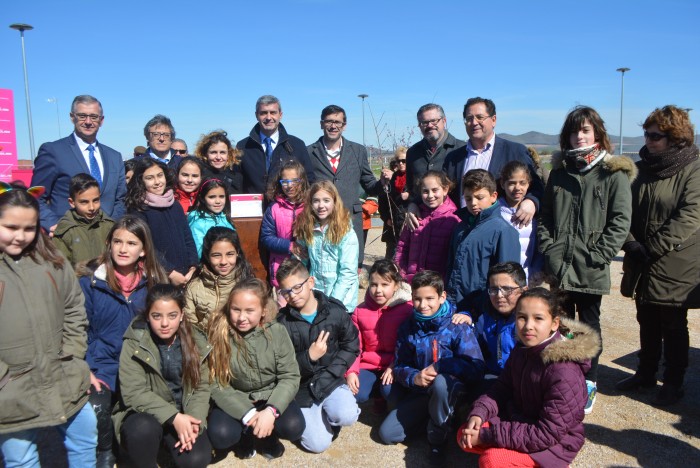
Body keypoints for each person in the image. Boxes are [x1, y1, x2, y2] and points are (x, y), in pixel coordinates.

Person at [538, 105, 634, 414]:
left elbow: (620, 221)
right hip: (560, 266)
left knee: (589, 327)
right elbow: (546, 218)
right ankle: (563, 381)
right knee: (561, 325)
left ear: (597, 134)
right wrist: (550, 250)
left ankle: (589, 383)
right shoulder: (559, 173)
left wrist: (600, 254)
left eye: (585, 130)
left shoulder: (612, 173)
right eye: (573, 131)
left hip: (590, 266)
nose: (579, 136)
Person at [0, 183, 97, 467]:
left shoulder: (51, 262)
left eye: (28, 228)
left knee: (84, 437)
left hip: (63, 372)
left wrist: (73, 353)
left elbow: (73, 308)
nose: (20, 236)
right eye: (10, 227)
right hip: (11, 389)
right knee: (21, 457)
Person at [458, 288, 600, 468]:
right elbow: (502, 387)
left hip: (555, 441)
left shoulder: (564, 371)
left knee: (492, 460)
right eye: (522, 317)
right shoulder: (523, 348)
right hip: (521, 419)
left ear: (554, 323)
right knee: (465, 432)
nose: (528, 326)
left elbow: (548, 432)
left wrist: (488, 436)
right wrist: (480, 411)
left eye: (538, 318)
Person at [617, 105, 700, 406]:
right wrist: (629, 242)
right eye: (647, 134)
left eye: (656, 136)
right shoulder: (642, 168)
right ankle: (646, 373)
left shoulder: (694, 168)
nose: (649, 140)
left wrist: (654, 247)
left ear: (676, 137)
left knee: (673, 322)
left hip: (675, 261)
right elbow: (622, 209)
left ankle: (673, 382)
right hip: (642, 258)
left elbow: (690, 216)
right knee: (645, 317)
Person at [79, 215, 169, 466]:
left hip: (142, 365)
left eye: (131, 243)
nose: (122, 248)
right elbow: (78, 329)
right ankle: (104, 450)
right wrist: (85, 368)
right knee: (96, 406)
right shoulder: (90, 283)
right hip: (103, 364)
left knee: (142, 424)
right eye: (117, 241)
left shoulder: (154, 282)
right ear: (109, 243)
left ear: (143, 250)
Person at [378, 270, 485, 465]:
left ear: (442, 297)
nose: (423, 305)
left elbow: (475, 367)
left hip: (451, 391)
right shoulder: (408, 327)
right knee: (387, 434)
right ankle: (437, 418)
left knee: (441, 384)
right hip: (422, 391)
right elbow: (400, 364)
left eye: (429, 298)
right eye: (418, 299)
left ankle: (438, 441)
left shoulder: (456, 325)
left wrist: (440, 366)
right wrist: (414, 377)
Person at [112, 285, 212, 468]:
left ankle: (168, 448)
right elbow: (133, 392)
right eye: (157, 316)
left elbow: (201, 387)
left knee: (197, 459)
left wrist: (193, 421)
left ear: (182, 314)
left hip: (183, 412)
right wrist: (174, 417)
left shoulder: (196, 341)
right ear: (148, 316)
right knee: (141, 430)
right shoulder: (135, 340)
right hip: (144, 414)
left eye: (172, 315)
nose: (165, 323)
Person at [207, 278, 305, 460]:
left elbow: (289, 376)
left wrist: (271, 411)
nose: (241, 317)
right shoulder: (219, 334)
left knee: (294, 426)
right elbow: (216, 383)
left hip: (270, 394)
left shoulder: (276, 332)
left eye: (250, 311)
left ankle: (270, 437)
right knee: (221, 435)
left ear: (263, 312)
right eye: (236, 309)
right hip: (237, 396)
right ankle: (245, 436)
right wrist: (248, 413)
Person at [276, 258, 360, 453]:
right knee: (317, 445)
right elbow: (280, 367)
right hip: (302, 389)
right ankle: (317, 418)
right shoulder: (281, 324)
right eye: (286, 291)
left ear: (311, 282)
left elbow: (351, 345)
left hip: (330, 379)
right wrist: (309, 357)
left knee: (346, 415)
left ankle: (330, 412)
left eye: (297, 287)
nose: (292, 295)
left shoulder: (335, 312)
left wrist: (335, 373)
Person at [31, 94, 126, 234]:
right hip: (69, 239)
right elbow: (35, 196)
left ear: (101, 120)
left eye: (94, 117)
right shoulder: (53, 151)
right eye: (82, 116)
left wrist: (112, 227)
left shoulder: (114, 157)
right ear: (72, 117)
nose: (88, 121)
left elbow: (120, 199)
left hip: (106, 239)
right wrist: (53, 226)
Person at [442, 97, 544, 227]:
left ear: (493, 120)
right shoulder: (453, 158)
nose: (474, 122)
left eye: (480, 117)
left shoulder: (515, 151)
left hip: (503, 230)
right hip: (464, 230)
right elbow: (442, 190)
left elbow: (536, 185)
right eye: (469, 119)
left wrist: (531, 201)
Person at [307, 105, 384, 266]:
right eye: (328, 122)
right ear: (321, 124)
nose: (333, 126)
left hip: (352, 220)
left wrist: (383, 182)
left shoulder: (357, 151)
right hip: (321, 221)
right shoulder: (309, 153)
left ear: (344, 125)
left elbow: (369, 184)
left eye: (337, 122)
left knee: (351, 267)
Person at [446, 169, 520, 315]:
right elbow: (451, 268)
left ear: (493, 196)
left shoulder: (503, 231)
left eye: (480, 197)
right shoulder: (460, 228)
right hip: (455, 306)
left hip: (483, 311)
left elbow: (507, 280)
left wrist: (484, 311)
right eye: (468, 198)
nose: (473, 203)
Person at [347, 259, 413, 409]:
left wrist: (394, 364)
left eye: (385, 284)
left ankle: (387, 397)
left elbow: (409, 345)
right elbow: (354, 346)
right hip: (369, 364)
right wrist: (351, 371)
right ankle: (375, 392)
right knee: (357, 392)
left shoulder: (407, 310)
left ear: (396, 286)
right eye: (374, 284)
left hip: (394, 363)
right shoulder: (360, 312)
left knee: (390, 392)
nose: (378, 290)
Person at [126, 158, 198, 287]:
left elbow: (187, 237)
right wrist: (169, 272)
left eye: (160, 176)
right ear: (141, 181)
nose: (157, 182)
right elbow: (146, 246)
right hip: (160, 276)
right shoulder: (138, 209)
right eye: (150, 178)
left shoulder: (175, 205)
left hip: (185, 274)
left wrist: (193, 265)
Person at [294, 181, 359, 312]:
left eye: (326, 200)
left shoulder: (346, 232)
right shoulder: (308, 228)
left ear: (334, 202)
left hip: (340, 300)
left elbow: (348, 272)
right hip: (316, 295)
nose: (321, 205)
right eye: (316, 201)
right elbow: (301, 260)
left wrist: (333, 301)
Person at [236, 95, 315, 194]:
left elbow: (309, 180)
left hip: (287, 208)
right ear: (256, 115)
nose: (269, 117)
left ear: (280, 115)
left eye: (273, 112)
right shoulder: (243, 147)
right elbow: (237, 183)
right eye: (263, 113)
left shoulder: (297, 145)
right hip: (253, 207)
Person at [394, 170, 460, 283]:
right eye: (425, 191)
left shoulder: (454, 219)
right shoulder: (414, 215)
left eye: (435, 190)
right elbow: (402, 247)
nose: (430, 196)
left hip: (437, 284)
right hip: (411, 281)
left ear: (445, 189)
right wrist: (402, 273)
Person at [184, 227, 253, 332]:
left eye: (230, 254)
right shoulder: (195, 287)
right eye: (216, 255)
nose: (223, 261)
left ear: (237, 253)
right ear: (207, 255)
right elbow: (190, 326)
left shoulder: (248, 284)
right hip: (206, 345)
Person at [261, 160, 309, 294]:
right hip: (281, 269)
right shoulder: (274, 208)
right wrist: (290, 246)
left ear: (302, 181)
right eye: (285, 182)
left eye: (294, 181)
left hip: (306, 270)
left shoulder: (310, 206)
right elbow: (266, 238)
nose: (289, 186)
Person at [473, 262, 526, 380]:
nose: (499, 295)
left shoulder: (533, 322)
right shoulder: (484, 320)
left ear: (523, 291)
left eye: (507, 289)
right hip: (492, 379)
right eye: (493, 289)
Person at [53, 173, 115, 267]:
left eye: (95, 200)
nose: (91, 207)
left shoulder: (109, 225)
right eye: (84, 202)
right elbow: (61, 269)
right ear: (72, 202)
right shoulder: (65, 231)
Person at [405, 103, 466, 199]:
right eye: (424, 122)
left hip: (454, 213)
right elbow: (410, 188)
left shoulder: (462, 149)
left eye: (434, 121)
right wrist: (412, 204)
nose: (429, 125)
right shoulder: (413, 153)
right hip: (421, 213)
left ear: (444, 121)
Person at [498, 161, 544, 284]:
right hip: (501, 280)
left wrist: (535, 271)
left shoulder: (536, 214)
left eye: (522, 183)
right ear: (502, 184)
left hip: (527, 279)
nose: (517, 188)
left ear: (529, 184)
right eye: (512, 183)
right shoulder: (495, 213)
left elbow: (540, 249)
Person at [187, 178, 236, 258]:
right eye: (212, 197)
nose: (218, 201)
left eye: (221, 196)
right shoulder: (198, 223)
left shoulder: (225, 218)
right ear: (202, 198)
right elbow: (198, 252)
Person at [379, 147, 410, 259]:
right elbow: (383, 201)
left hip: (408, 224)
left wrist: (410, 196)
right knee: (391, 259)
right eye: (398, 161)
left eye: (404, 161)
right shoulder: (391, 179)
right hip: (392, 225)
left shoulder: (414, 178)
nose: (401, 163)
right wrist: (386, 218)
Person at [194, 130, 241, 195]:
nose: (218, 157)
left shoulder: (237, 177)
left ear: (228, 154)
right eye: (213, 152)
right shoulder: (199, 177)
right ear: (205, 154)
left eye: (222, 152)